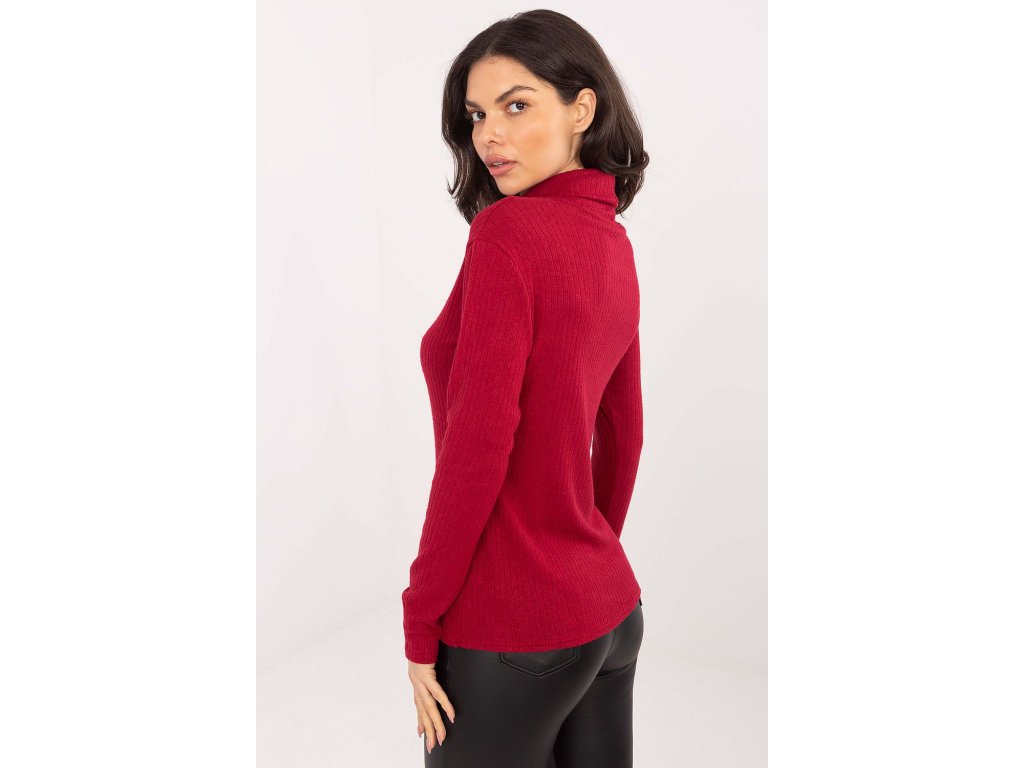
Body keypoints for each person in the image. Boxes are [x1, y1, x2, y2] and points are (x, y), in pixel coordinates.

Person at [401, 9, 650, 767]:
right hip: (610, 609)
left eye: (516, 104)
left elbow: (477, 447)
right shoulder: (611, 241)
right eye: (478, 114)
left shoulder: (507, 235)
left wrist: (420, 620)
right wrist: (581, 566)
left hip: (513, 630)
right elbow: (625, 431)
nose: (489, 135)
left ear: (582, 108)